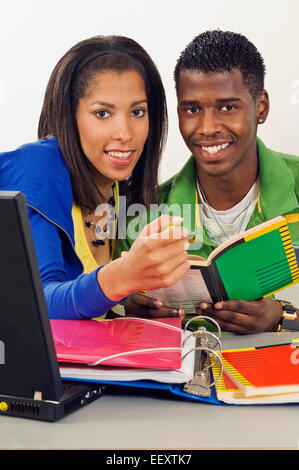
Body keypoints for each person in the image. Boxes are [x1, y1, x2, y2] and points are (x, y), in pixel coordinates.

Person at [0, 35, 190, 320]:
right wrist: (120, 279)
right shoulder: (37, 169)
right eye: (102, 113)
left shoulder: (112, 187)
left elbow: (86, 301)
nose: (125, 133)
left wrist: (124, 302)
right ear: (69, 116)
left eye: (137, 112)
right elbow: (38, 304)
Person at [122, 30, 299, 333]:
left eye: (228, 107)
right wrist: (127, 308)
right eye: (192, 109)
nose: (206, 128)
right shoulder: (144, 209)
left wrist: (283, 317)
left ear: (261, 107)